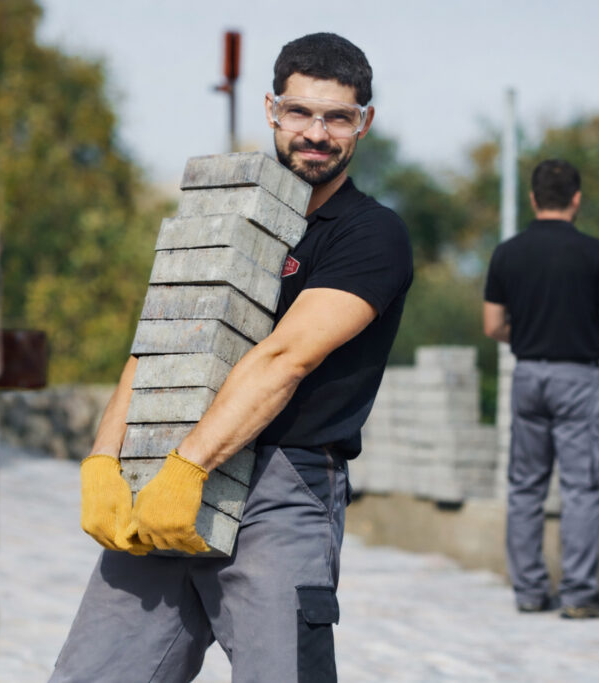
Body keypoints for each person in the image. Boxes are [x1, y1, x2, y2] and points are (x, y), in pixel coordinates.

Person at [48, 32, 412, 682]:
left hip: (281, 489)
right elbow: (161, 337)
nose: (317, 133)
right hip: (162, 475)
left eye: (337, 117)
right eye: (300, 112)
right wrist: (106, 457)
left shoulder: (371, 233)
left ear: (365, 123)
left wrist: (188, 468)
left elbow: (285, 357)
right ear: (272, 110)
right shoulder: (228, 210)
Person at [482, 159, 599, 619]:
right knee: (581, 487)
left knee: (525, 487)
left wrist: (527, 336)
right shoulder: (595, 253)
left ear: (533, 199)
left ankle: (529, 592)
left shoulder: (507, 253)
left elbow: (492, 326)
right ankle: (579, 595)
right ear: (577, 199)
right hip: (576, 379)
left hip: (527, 376)